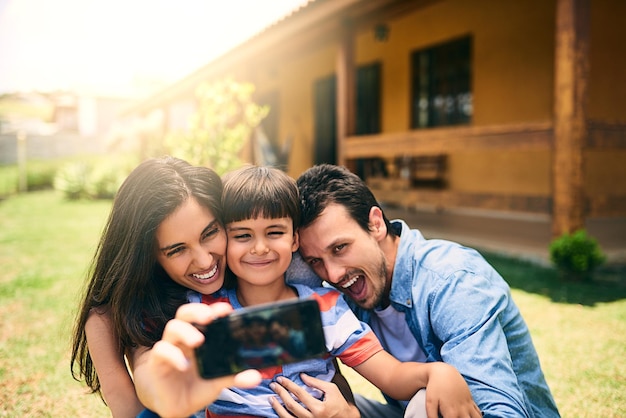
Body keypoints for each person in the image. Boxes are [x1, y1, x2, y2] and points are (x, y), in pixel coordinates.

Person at [195, 165, 480, 418]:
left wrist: (437, 371)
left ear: (295, 240)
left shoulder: (325, 309)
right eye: (242, 235)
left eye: (274, 232)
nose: (260, 247)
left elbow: (390, 374)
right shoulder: (202, 309)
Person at [289, 163, 561, 418]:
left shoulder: (452, 280)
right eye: (316, 261)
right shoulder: (347, 294)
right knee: (302, 405)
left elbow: (502, 412)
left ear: (376, 224)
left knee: (424, 403)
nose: (333, 275)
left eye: (340, 248)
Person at [70, 156, 261, 417]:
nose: (205, 261)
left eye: (209, 233)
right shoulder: (119, 315)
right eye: (177, 250)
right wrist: (166, 394)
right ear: (150, 257)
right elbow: (144, 374)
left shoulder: (255, 268)